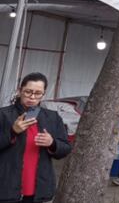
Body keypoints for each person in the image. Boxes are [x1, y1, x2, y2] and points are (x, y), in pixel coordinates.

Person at [0, 72, 71, 203]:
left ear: (43, 94)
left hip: (40, 188)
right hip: (6, 187)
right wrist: (12, 132)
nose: (32, 97)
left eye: (38, 93)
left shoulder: (52, 117)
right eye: (28, 92)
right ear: (19, 90)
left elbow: (65, 149)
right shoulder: (3, 115)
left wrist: (52, 143)